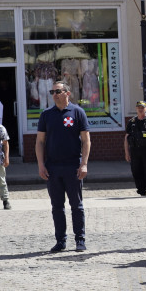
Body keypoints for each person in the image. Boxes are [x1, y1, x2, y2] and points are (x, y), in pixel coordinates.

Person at [35, 81, 91, 253]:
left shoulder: (77, 112)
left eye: (58, 91)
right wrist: (41, 165)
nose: (54, 94)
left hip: (73, 165)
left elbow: (86, 140)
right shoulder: (47, 114)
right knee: (57, 207)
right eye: (52, 91)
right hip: (53, 167)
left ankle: (80, 240)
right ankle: (60, 241)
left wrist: (84, 164)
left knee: (76, 205)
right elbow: (39, 141)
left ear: (67, 93)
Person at [124, 101, 146, 197]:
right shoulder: (131, 122)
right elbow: (126, 138)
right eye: (138, 107)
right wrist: (126, 152)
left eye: (142, 108)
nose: (140, 109)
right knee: (136, 171)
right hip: (135, 151)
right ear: (136, 109)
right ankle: (141, 190)